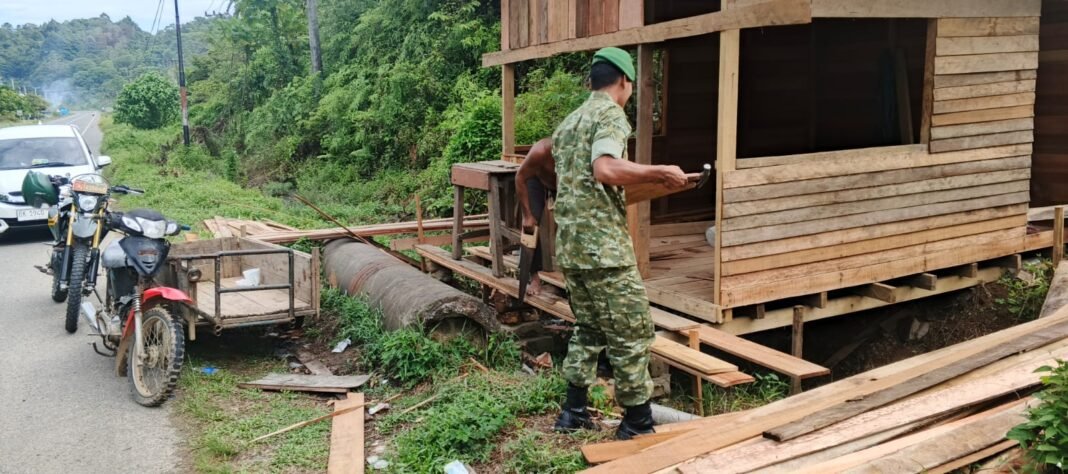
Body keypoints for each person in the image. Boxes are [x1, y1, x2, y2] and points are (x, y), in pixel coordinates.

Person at [551, 47, 688, 440]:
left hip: (573, 249)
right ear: (625, 82)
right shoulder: (610, 114)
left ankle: (573, 412)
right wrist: (657, 170)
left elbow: (579, 183)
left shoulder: (569, 123)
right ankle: (637, 424)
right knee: (632, 333)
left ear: (590, 80)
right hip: (605, 250)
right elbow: (605, 167)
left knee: (589, 328)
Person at [514, 137, 556, 296]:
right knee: (532, 225)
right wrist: (527, 216)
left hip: (561, 184)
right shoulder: (540, 150)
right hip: (535, 179)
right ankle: (534, 277)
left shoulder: (576, 153)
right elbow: (520, 177)